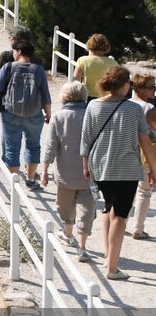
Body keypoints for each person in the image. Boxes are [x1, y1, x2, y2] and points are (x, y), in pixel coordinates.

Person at [81, 65, 156, 279]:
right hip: (126, 169)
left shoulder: (93, 106)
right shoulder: (133, 109)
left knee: (109, 209)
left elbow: (85, 140)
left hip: (99, 167)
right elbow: (145, 142)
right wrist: (153, 168)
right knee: (121, 217)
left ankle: (108, 255)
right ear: (125, 85)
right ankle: (112, 268)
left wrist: (85, 165)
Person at [41, 81, 96, 258]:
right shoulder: (92, 115)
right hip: (90, 172)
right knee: (87, 209)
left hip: (65, 173)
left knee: (65, 207)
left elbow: (51, 146)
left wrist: (45, 169)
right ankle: (82, 246)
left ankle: (68, 233)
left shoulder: (58, 117)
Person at [0, 41, 51, 187]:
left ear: (18, 51)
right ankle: (30, 180)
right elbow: (46, 95)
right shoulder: (38, 70)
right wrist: (48, 113)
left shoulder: (9, 67)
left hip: (10, 113)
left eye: (14, 51)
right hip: (34, 114)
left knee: (12, 146)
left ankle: (15, 184)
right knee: (33, 145)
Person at [129, 72, 156, 239]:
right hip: (146, 152)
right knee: (144, 191)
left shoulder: (125, 104)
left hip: (126, 151)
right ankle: (138, 228)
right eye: (152, 87)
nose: (154, 90)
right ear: (141, 89)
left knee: (127, 190)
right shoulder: (149, 108)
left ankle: (122, 222)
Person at [72, 34, 118, 102]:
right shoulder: (113, 63)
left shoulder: (83, 60)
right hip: (106, 97)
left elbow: (76, 81)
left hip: (87, 96)